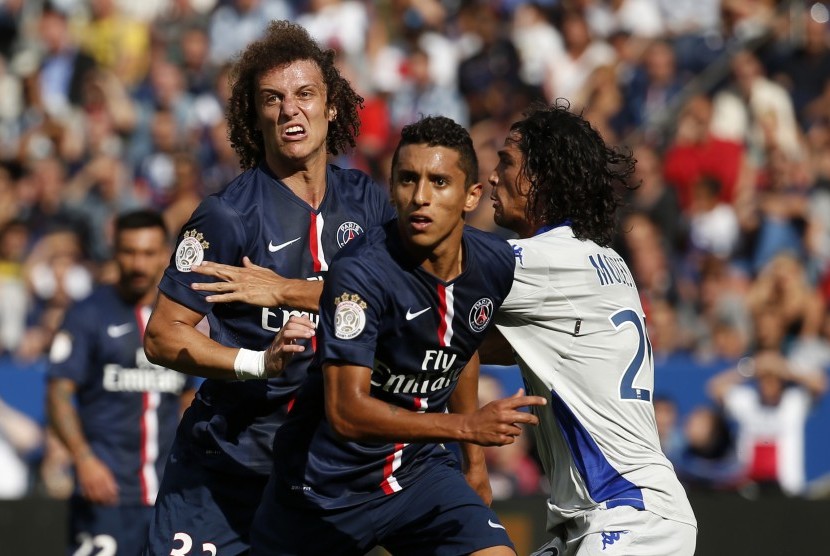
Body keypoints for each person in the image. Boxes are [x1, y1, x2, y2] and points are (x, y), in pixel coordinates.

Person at [141, 20, 396, 555]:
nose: (290, 110)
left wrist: (286, 290)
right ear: (254, 116)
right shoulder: (227, 216)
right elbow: (163, 336)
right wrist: (259, 363)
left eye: (305, 94)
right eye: (272, 99)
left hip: (321, 476)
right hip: (226, 474)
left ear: (332, 106)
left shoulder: (369, 204)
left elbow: (401, 305)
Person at [249, 115, 547, 555]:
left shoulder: (495, 264)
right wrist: (466, 427)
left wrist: (475, 466)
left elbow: (461, 350)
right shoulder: (360, 274)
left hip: (420, 473)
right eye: (407, 180)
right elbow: (347, 412)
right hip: (322, 490)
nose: (421, 197)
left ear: (471, 196)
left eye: (439, 181)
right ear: (392, 190)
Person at [483, 102, 698, 556]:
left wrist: (299, 291)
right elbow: (475, 339)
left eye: (505, 162)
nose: (491, 177)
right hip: (617, 514)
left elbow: (428, 288)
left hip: (626, 512)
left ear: (540, 178)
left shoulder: (544, 260)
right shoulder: (602, 259)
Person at [46, 209, 198, 556]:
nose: (138, 264)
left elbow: (189, 395)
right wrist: (83, 459)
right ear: (115, 253)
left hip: (167, 497)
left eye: (148, 253)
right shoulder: (88, 314)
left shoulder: (181, 318)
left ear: (165, 255)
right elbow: (58, 392)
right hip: (105, 496)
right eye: (129, 252)